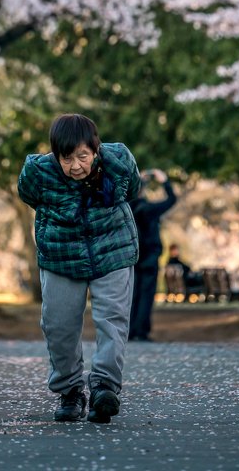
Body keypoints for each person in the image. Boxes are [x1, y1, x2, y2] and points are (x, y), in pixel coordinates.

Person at [17, 113, 141, 425]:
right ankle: (70, 391)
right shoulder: (37, 172)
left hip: (113, 251)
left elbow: (133, 189)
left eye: (83, 156)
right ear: (54, 154)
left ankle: (104, 388)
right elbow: (28, 195)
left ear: (96, 150)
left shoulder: (119, 162)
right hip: (61, 255)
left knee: (112, 320)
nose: (76, 166)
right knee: (58, 326)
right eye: (67, 158)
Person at [128, 170, 177, 341]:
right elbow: (171, 200)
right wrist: (164, 181)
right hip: (148, 257)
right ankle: (141, 331)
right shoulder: (148, 209)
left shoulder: (128, 208)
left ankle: (130, 330)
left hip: (132, 258)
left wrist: (138, 179)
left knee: (133, 295)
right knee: (146, 295)